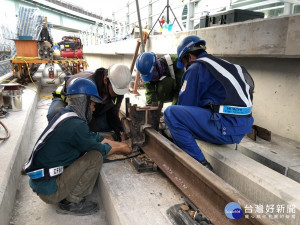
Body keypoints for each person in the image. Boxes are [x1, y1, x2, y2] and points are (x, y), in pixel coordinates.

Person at [24, 77, 132, 215]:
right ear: (83, 102)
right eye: (92, 104)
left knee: (88, 150)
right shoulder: (76, 126)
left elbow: (96, 138)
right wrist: (123, 149)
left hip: (42, 182)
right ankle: (73, 202)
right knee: (95, 157)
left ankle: (67, 196)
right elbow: (100, 148)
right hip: (49, 189)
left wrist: (119, 143)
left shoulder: (67, 114)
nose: (93, 109)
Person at [163, 35, 254, 171]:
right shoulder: (226, 65)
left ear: (189, 56)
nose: (185, 67)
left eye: (184, 62)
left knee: (171, 114)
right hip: (243, 127)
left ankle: (201, 165)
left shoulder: (196, 68)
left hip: (225, 127)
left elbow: (184, 106)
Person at [47, 64, 132, 141]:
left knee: (106, 126)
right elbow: (83, 114)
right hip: (67, 101)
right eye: (115, 90)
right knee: (56, 116)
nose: (117, 94)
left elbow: (113, 114)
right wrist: (97, 138)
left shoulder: (118, 87)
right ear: (106, 80)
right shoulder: (87, 86)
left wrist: (120, 132)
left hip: (91, 110)